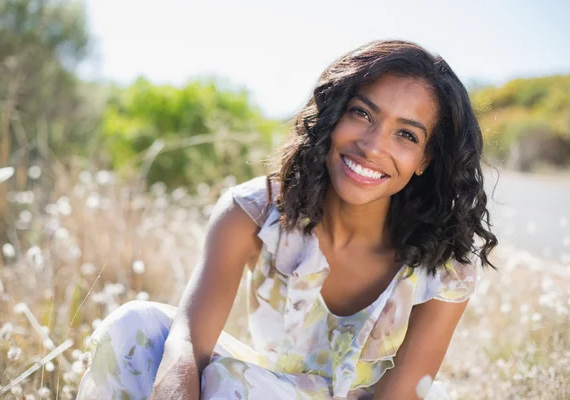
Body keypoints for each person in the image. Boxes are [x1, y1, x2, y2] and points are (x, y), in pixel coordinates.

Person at [77, 39, 498, 399]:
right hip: (261, 388)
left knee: (234, 386)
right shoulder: (255, 212)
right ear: (333, 115)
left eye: (406, 134)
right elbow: (188, 343)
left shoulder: (445, 267)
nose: (372, 146)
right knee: (136, 327)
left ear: (426, 159)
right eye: (362, 114)